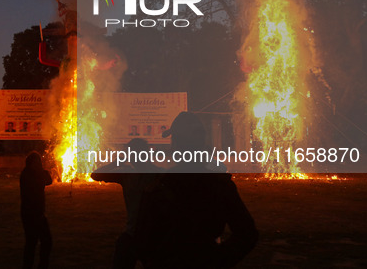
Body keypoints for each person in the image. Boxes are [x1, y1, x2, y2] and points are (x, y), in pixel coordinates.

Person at [136, 112, 258, 268]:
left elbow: (141, 238)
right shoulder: (220, 185)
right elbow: (247, 234)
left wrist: (156, 260)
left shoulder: (160, 186)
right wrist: (218, 259)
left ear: (177, 147)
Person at [91, 138, 160, 269]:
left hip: (151, 234)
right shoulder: (126, 174)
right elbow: (95, 175)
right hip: (132, 233)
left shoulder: (157, 174)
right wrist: (116, 163)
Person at [20, 152, 53, 269]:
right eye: (37, 162)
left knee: (46, 241)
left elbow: (49, 181)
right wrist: (41, 172)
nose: (39, 164)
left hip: (38, 213)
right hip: (30, 213)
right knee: (32, 242)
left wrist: (42, 170)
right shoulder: (26, 175)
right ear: (30, 163)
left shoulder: (37, 173)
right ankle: (28, 265)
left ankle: (41, 265)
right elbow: (39, 183)